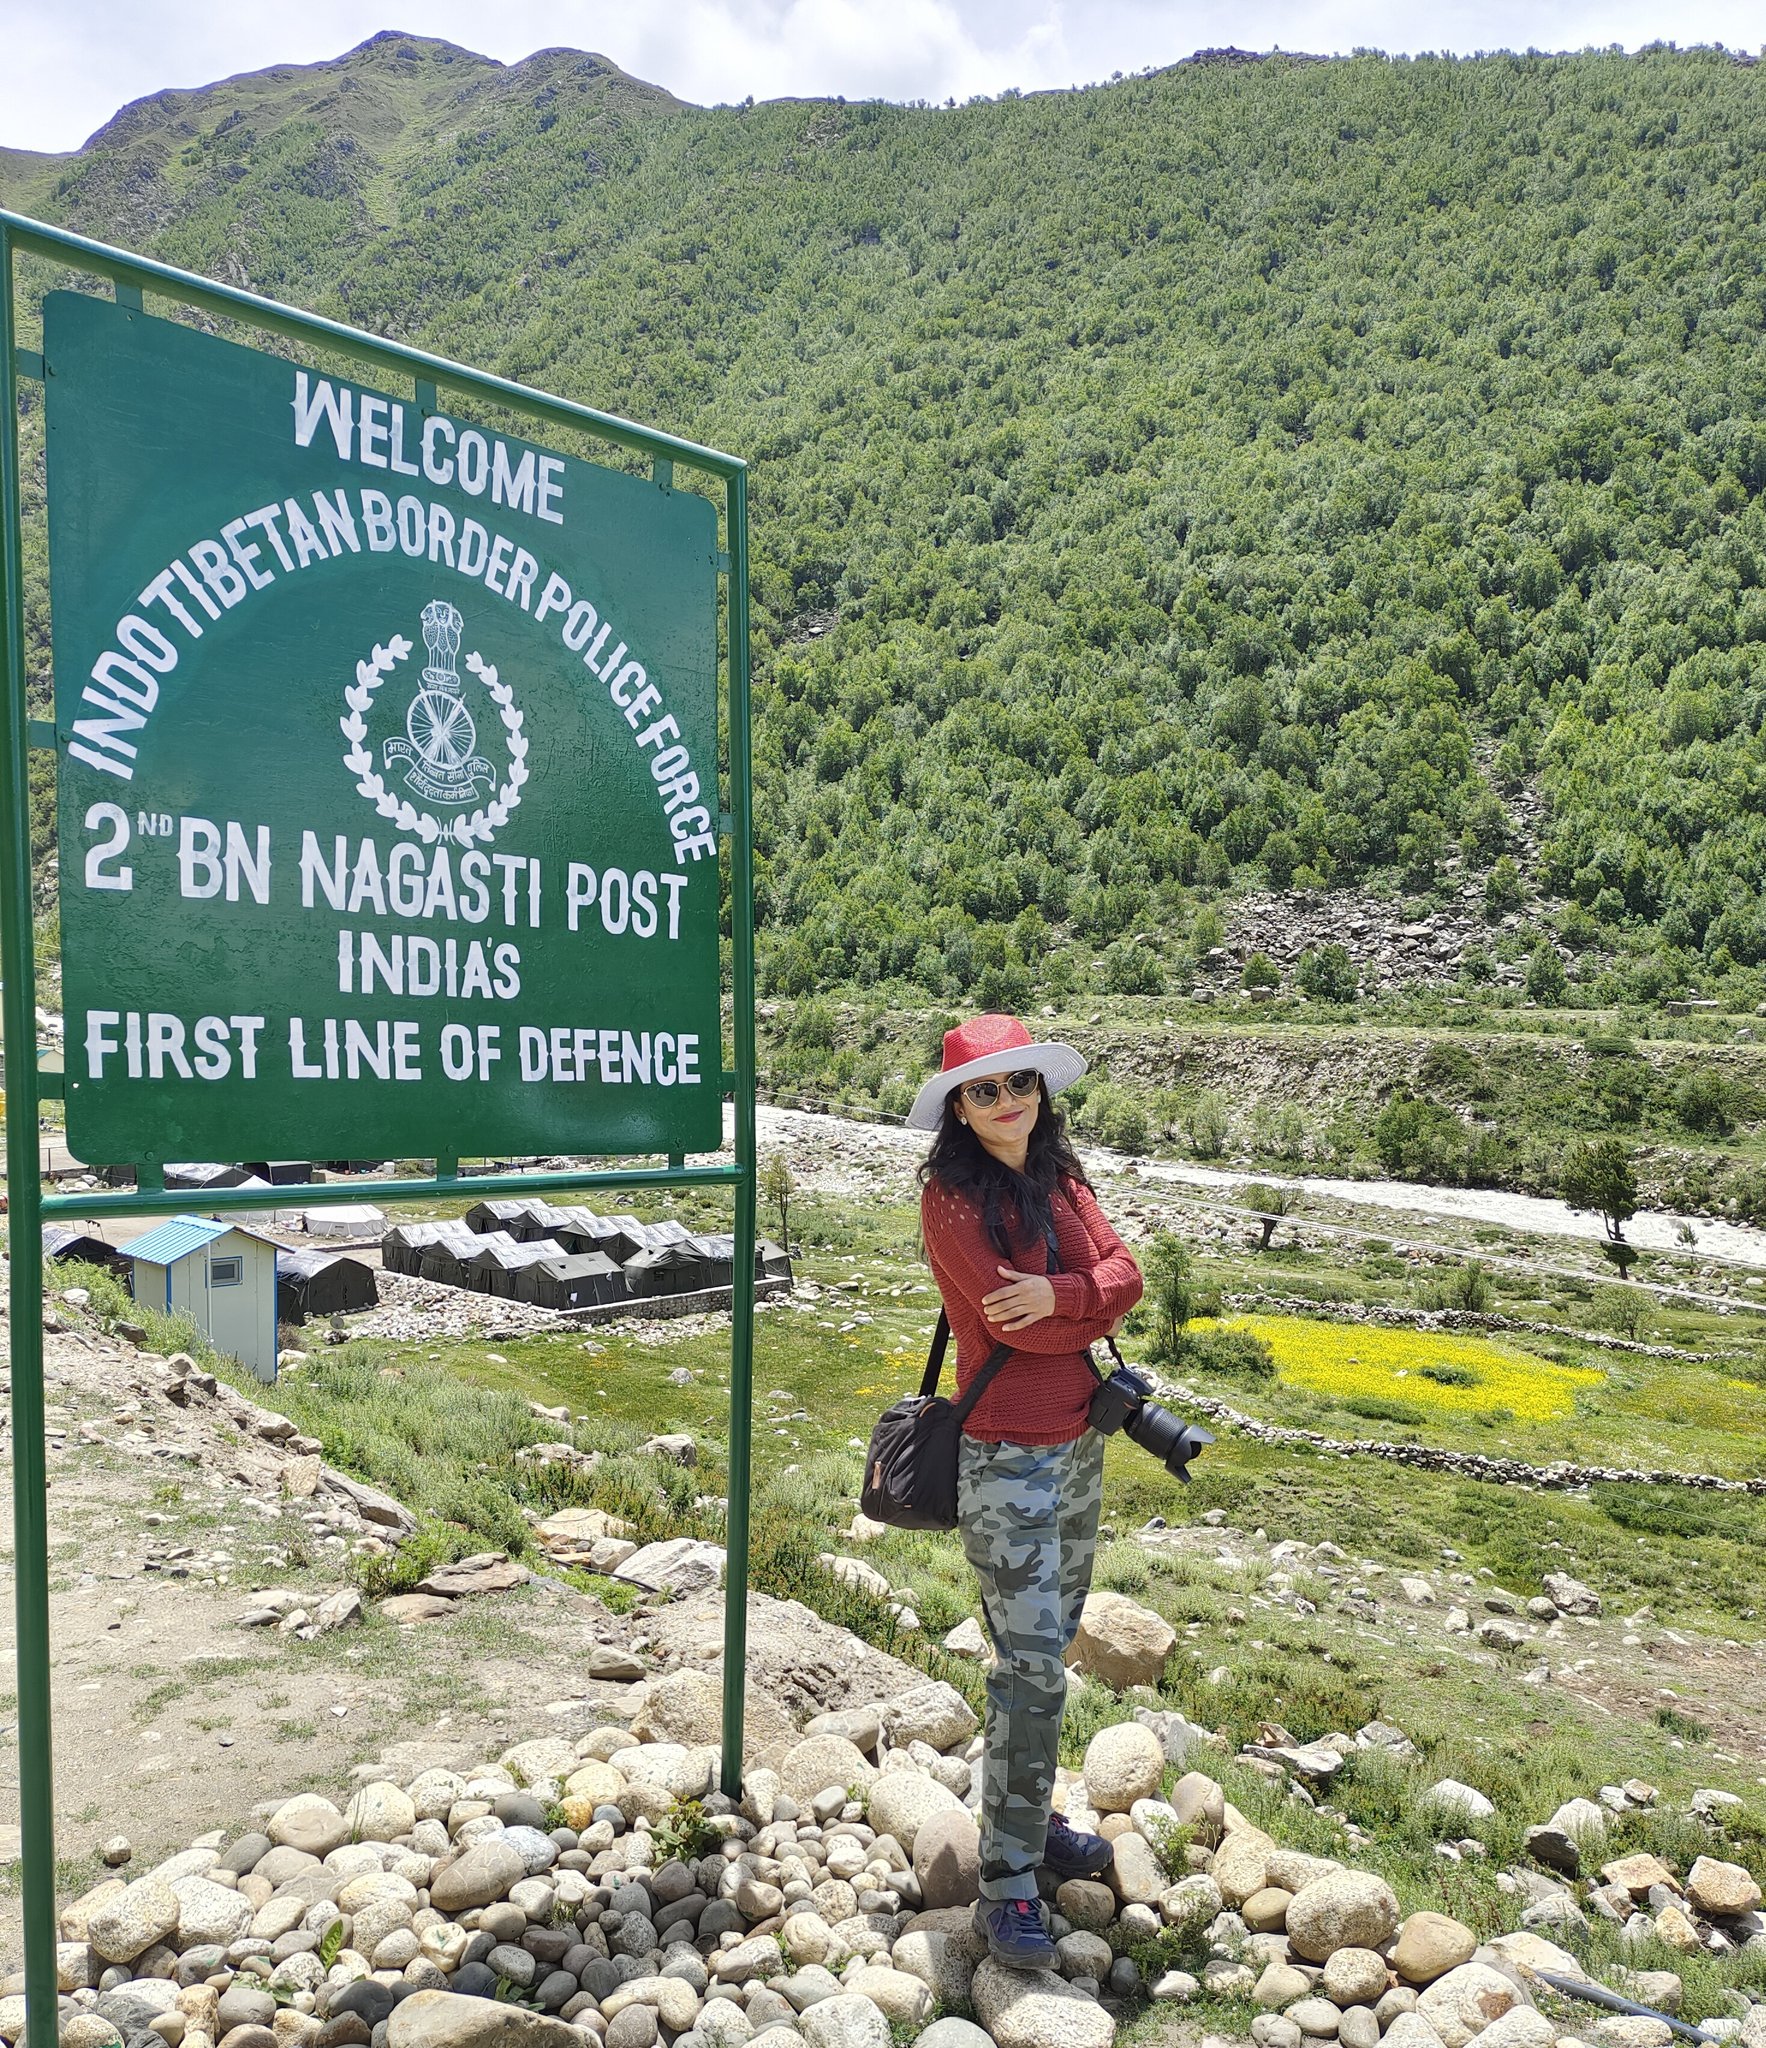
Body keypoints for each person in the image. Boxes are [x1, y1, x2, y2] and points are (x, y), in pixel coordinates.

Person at [909, 1012, 1144, 1969]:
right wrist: (1069, 1299)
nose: (1007, 1103)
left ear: (1039, 1095)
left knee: (1048, 1654)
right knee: (1031, 1664)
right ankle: (1007, 1881)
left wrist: (1069, 1295)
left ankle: (1030, 1820)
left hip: (1080, 1447)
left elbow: (1126, 1278)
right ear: (959, 1111)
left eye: (1020, 1086)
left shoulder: (1065, 1177)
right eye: (985, 1091)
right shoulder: (950, 1203)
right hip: (1005, 1453)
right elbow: (1024, 1321)